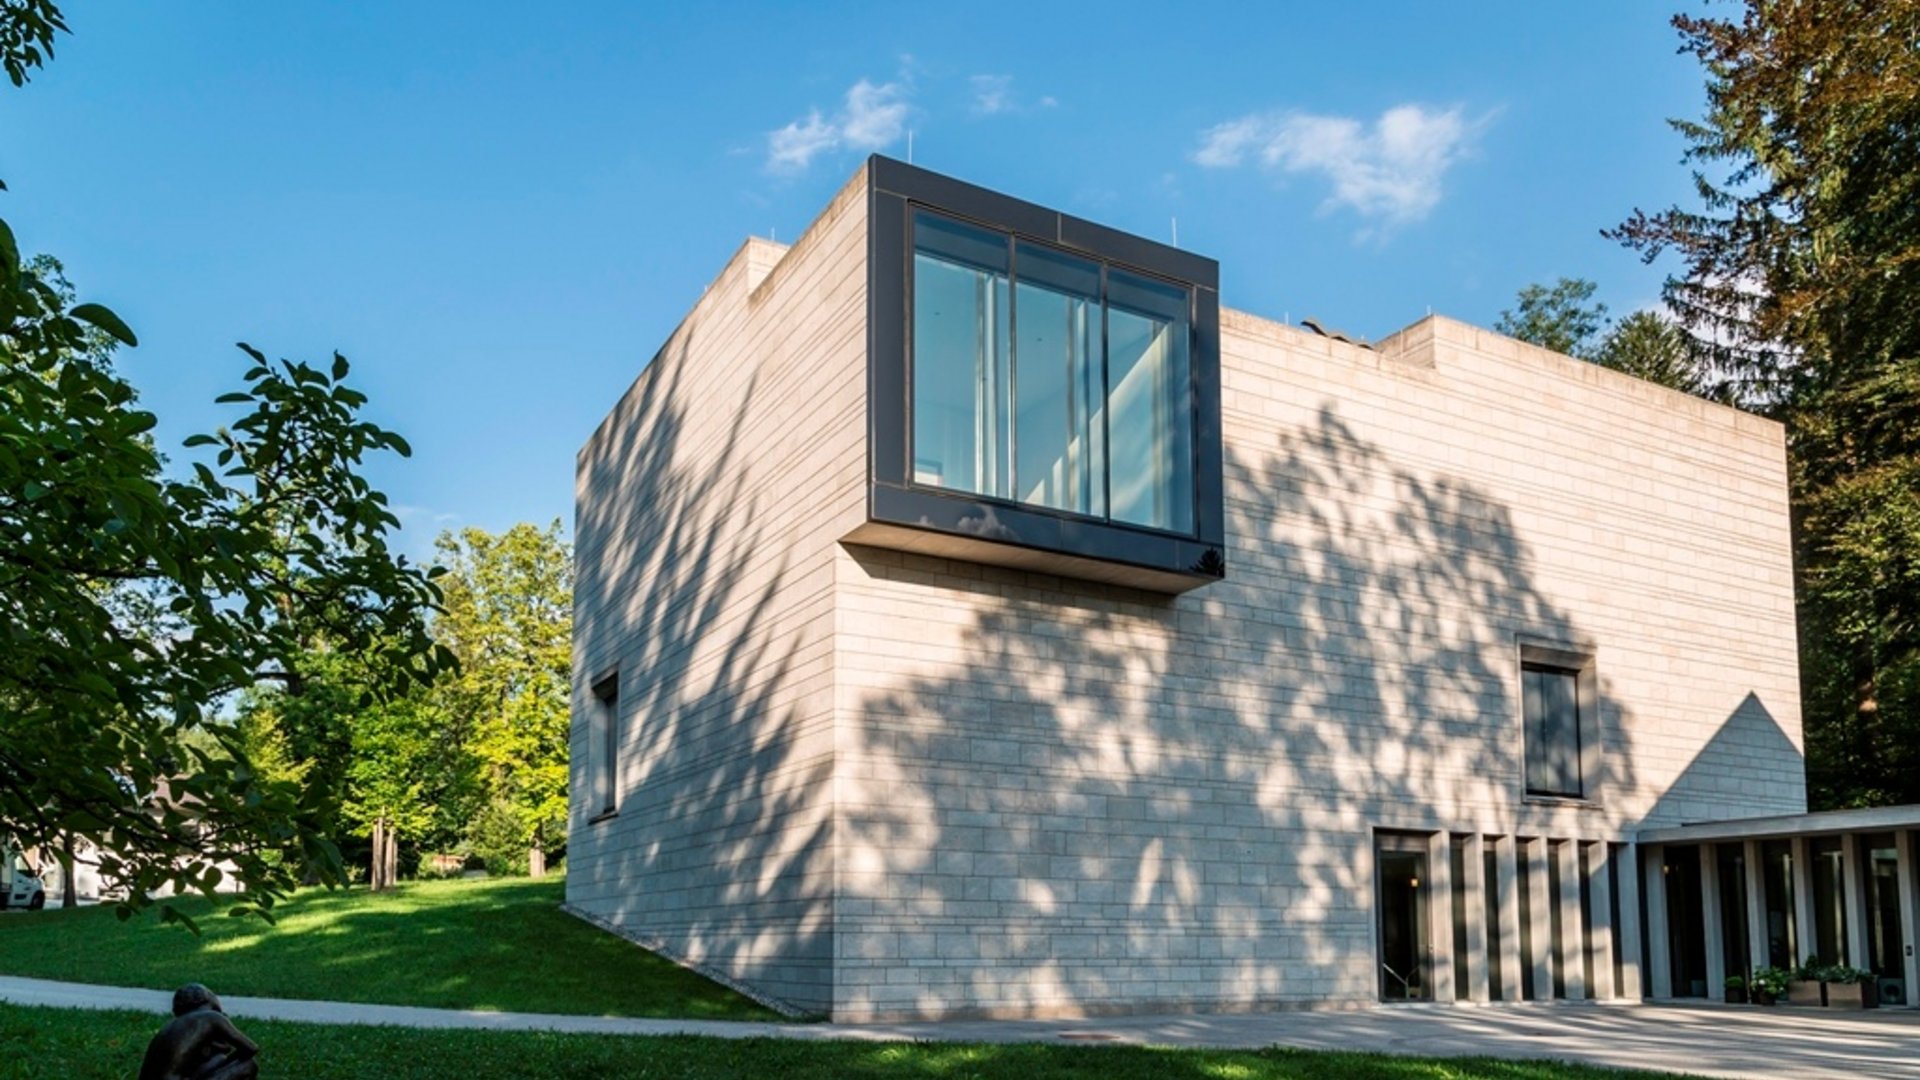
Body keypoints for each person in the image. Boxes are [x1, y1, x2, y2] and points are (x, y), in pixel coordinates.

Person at [138, 983, 260, 1080]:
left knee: (217, 1060)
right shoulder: (210, 1017)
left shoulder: (170, 1028)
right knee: (248, 1065)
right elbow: (251, 1048)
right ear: (206, 997)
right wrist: (228, 1059)